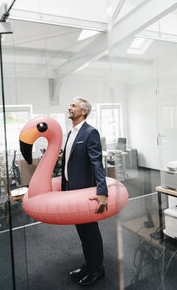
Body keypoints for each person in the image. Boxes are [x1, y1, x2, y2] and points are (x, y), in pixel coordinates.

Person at [61, 97, 108, 286]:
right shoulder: (71, 133)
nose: (69, 107)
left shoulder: (90, 132)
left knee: (90, 231)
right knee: (81, 231)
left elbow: (97, 162)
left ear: (84, 112)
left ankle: (98, 269)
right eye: (70, 104)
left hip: (85, 191)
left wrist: (102, 191)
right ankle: (88, 264)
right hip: (71, 190)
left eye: (73, 105)